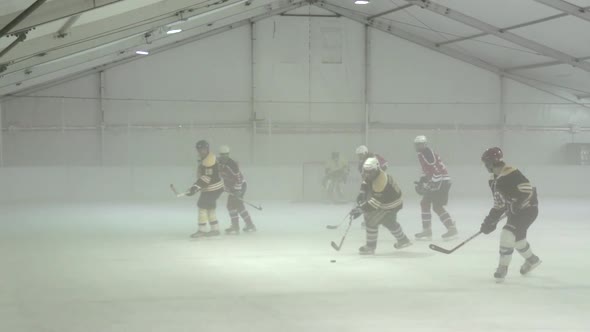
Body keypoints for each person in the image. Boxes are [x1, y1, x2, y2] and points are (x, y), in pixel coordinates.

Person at [480, 147, 541, 282]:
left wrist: (516, 203)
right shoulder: (493, 179)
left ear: (491, 163)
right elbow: (499, 204)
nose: (485, 166)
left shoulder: (511, 173)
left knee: (507, 234)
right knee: (518, 241)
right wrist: (490, 221)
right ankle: (532, 260)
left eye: (486, 163)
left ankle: (502, 267)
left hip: (528, 210)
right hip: (516, 212)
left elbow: (527, 189)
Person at [350, 157, 412, 255]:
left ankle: (370, 247)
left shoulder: (381, 180)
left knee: (370, 219)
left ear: (377, 169)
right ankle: (403, 240)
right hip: (394, 200)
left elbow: (375, 203)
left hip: (391, 203)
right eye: (365, 171)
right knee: (388, 221)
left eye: (370, 172)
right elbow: (365, 182)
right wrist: (362, 193)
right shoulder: (371, 173)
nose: (367, 174)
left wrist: (360, 209)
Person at [413, 135, 458, 240]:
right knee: (425, 203)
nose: (418, 146)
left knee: (437, 206)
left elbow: (436, 170)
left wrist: (432, 184)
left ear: (425, 144)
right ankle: (428, 230)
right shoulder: (423, 153)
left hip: (441, 182)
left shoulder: (426, 153)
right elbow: (428, 170)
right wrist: (422, 181)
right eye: (417, 144)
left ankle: (451, 228)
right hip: (440, 181)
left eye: (420, 144)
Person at [186, 140, 224, 238]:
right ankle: (215, 229)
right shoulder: (206, 158)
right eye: (199, 149)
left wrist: (194, 188)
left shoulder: (209, 161)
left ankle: (202, 230)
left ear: (207, 149)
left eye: (203, 149)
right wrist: (195, 188)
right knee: (210, 207)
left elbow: (206, 178)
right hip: (214, 188)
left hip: (212, 188)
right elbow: (204, 178)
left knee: (202, 206)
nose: (201, 151)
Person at [218, 145, 256, 234]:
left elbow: (238, 178)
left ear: (228, 154)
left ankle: (235, 227)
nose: (224, 156)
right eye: (222, 154)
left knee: (231, 205)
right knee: (238, 206)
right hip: (232, 187)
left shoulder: (232, 164)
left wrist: (238, 191)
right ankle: (249, 225)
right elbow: (221, 176)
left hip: (240, 186)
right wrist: (225, 187)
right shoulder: (218, 163)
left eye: (226, 154)